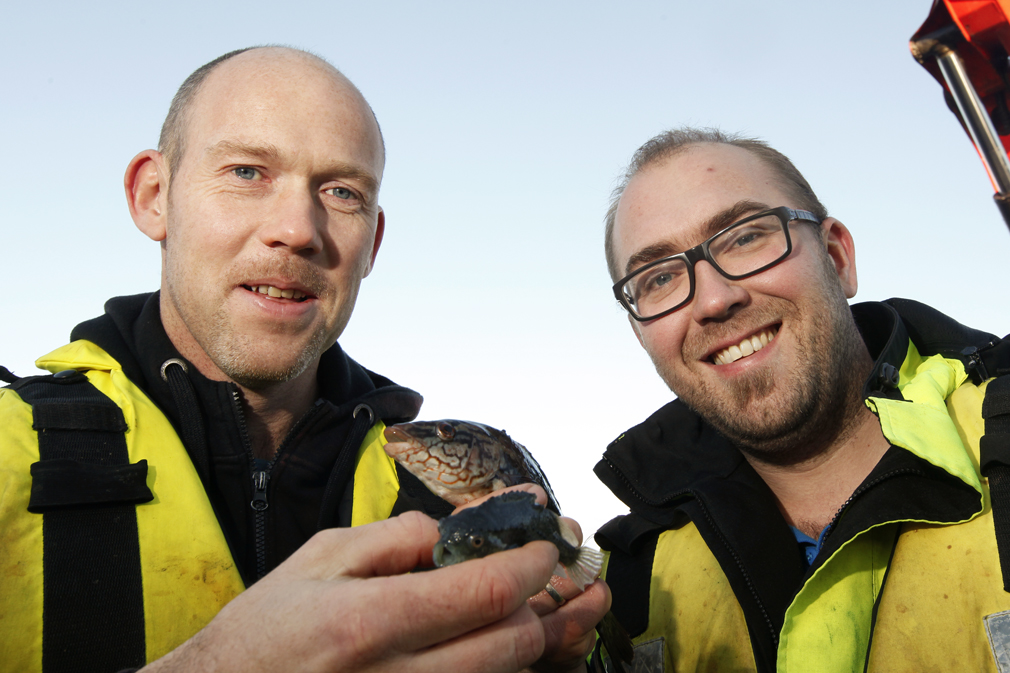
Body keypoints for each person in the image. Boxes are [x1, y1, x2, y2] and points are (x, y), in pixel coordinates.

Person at [0, 46, 606, 672]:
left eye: (342, 191)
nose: (297, 229)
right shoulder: (8, 447)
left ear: (371, 243)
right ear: (155, 195)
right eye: (246, 172)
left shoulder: (446, 500)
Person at [592, 127, 1010, 672]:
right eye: (660, 277)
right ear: (641, 334)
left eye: (744, 237)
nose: (714, 299)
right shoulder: (613, 592)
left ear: (836, 257)